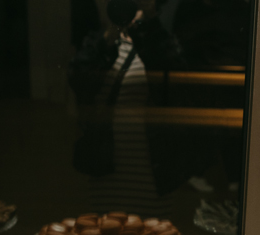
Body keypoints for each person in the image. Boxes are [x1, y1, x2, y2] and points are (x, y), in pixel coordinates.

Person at [69, 0, 187, 216]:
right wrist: (110, 34)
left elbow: (170, 72)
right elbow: (79, 82)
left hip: (150, 177)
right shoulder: (102, 43)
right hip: (107, 175)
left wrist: (147, 21)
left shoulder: (158, 42)